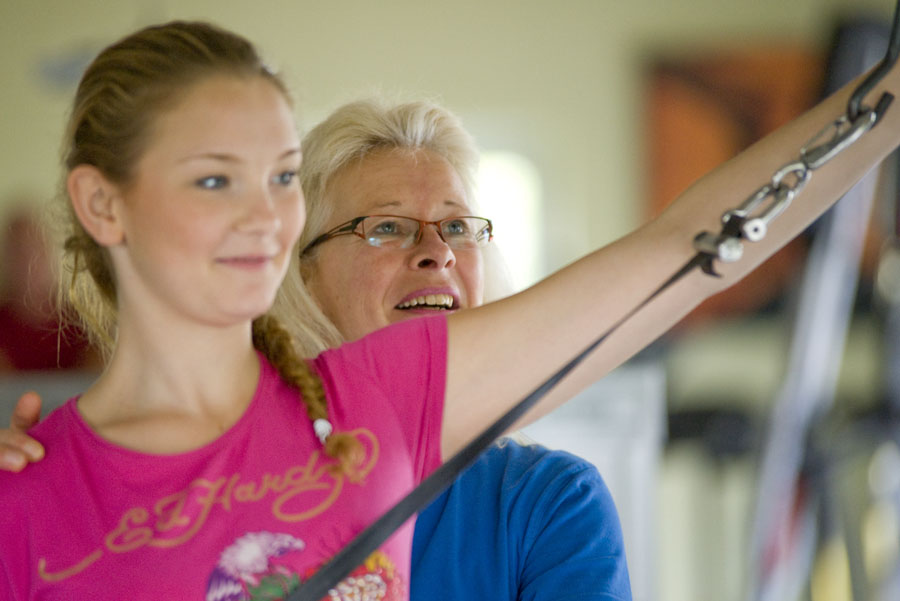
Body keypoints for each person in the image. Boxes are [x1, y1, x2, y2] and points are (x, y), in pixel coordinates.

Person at [2, 13, 900, 601]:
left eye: (281, 178)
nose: (265, 216)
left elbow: (682, 251)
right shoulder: (26, 496)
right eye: (214, 179)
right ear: (103, 206)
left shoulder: (374, 401)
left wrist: (888, 104)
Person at [0, 97, 633, 601]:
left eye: (458, 227)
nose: (437, 252)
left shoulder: (549, 501)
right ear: (300, 275)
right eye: (387, 227)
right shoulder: (207, 490)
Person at [0, 203, 99, 371]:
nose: (29, 264)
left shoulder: (81, 320)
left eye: (35, 250)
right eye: (19, 251)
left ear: (49, 253)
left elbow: (96, 372)